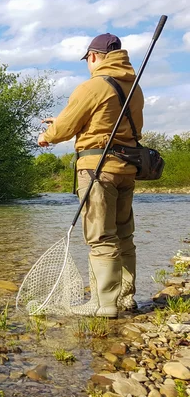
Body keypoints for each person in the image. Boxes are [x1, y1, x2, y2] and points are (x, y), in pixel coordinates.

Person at [38, 33, 144, 317]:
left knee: (101, 238)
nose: (88, 63)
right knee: (124, 234)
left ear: (94, 56)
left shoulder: (92, 86)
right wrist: (61, 121)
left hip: (97, 171)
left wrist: (47, 135)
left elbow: (64, 129)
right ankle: (125, 297)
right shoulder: (134, 87)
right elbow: (106, 122)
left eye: (87, 59)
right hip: (126, 170)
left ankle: (103, 304)